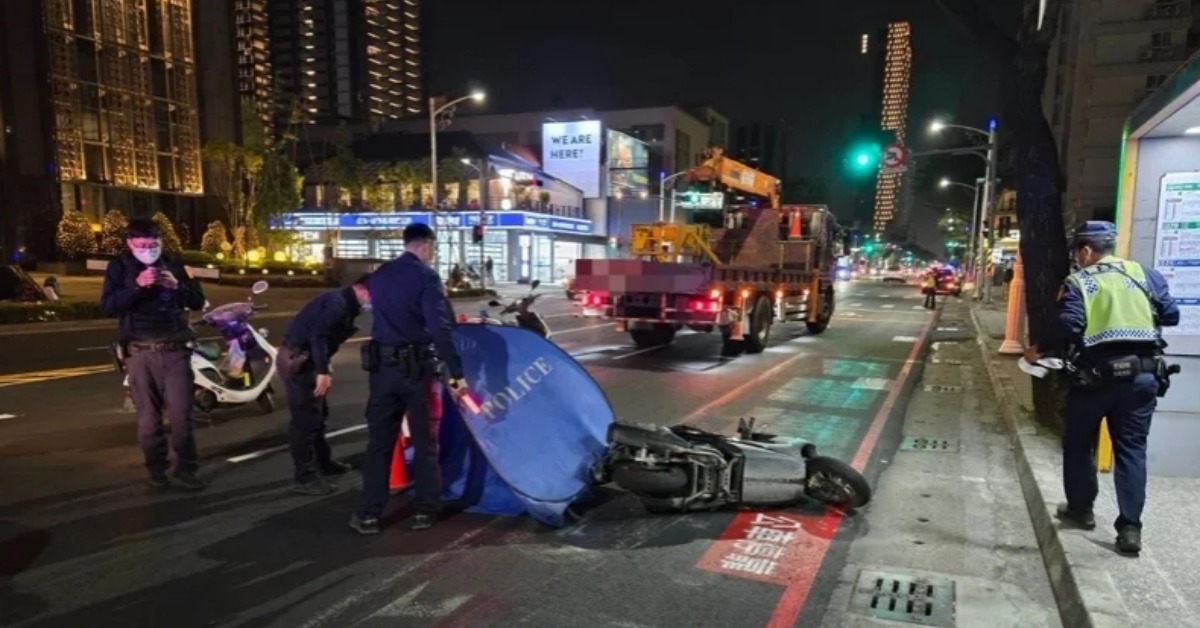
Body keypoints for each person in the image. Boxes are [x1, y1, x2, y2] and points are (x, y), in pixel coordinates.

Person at [1024, 221, 1179, 555]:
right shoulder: (1145, 275)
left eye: (1077, 253)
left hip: (1095, 378)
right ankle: (1130, 529)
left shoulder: (1080, 281)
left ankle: (1081, 509)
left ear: (1085, 250)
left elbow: (1069, 323)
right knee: (1132, 450)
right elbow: (1171, 314)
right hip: (1142, 378)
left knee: (1079, 443)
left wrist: (1038, 350)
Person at [351, 223, 469, 535]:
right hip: (418, 371)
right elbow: (439, 327)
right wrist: (456, 373)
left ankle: (369, 514)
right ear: (427, 245)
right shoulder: (426, 277)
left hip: (383, 371)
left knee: (380, 443)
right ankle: (425, 511)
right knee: (425, 441)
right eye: (433, 248)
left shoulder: (381, 275)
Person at [101, 218, 207, 491]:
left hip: (175, 350)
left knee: (182, 415)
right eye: (143, 244)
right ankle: (156, 471)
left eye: (154, 243)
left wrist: (176, 286)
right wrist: (137, 286)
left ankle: (186, 469)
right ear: (130, 244)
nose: (149, 249)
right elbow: (109, 306)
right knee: (148, 417)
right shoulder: (120, 267)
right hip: (140, 351)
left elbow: (197, 301)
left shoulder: (174, 263)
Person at [278, 276, 371, 495]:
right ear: (362, 290)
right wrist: (322, 370)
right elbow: (318, 335)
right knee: (306, 420)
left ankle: (323, 463)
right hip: (299, 360)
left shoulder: (343, 302)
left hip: (303, 358)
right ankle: (305, 476)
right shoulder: (337, 303)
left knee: (318, 415)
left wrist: (324, 364)